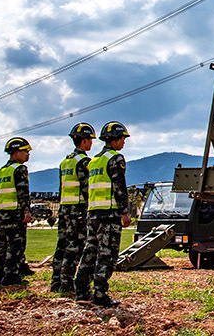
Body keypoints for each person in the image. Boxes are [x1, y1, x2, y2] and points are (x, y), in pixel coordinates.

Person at [74, 121, 131, 307]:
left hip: (93, 213)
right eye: (122, 138)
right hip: (109, 214)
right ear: (114, 140)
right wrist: (124, 212)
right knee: (107, 254)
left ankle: (81, 290)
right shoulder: (116, 159)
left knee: (90, 251)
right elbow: (119, 188)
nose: (123, 142)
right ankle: (100, 294)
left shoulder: (95, 161)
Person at [50, 122, 95, 295]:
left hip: (64, 209)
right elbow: (86, 189)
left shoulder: (65, 162)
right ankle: (67, 282)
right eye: (90, 139)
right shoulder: (83, 162)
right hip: (77, 210)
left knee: (62, 244)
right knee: (75, 246)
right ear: (83, 141)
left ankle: (56, 281)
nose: (91, 143)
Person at [0, 137, 33, 286]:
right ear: (15, 153)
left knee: (1, 245)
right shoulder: (19, 169)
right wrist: (26, 211)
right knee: (16, 245)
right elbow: (23, 193)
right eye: (25, 151)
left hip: (1, 214)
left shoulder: (0, 172)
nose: (28, 154)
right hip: (14, 214)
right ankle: (11, 276)